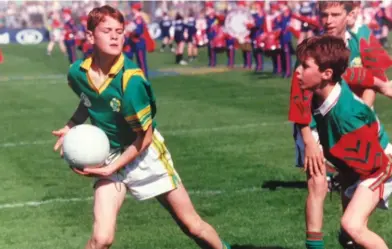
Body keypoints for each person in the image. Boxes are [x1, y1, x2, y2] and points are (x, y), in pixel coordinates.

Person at [52, 5, 231, 249]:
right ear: (91, 36)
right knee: (101, 239)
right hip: (107, 155)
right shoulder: (77, 72)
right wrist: (71, 125)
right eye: (107, 30)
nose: (115, 36)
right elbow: (89, 101)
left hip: (143, 155)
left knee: (192, 226)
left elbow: (144, 138)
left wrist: (112, 168)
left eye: (120, 31)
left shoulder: (132, 81)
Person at [287, 2, 392, 248]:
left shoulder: (360, 38)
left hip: (354, 132)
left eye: (335, 14)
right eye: (324, 14)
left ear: (350, 14)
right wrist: (309, 140)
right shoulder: (315, 49)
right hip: (320, 122)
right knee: (319, 183)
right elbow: (300, 96)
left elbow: (361, 75)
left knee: (351, 224)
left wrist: (369, 101)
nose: (328, 20)